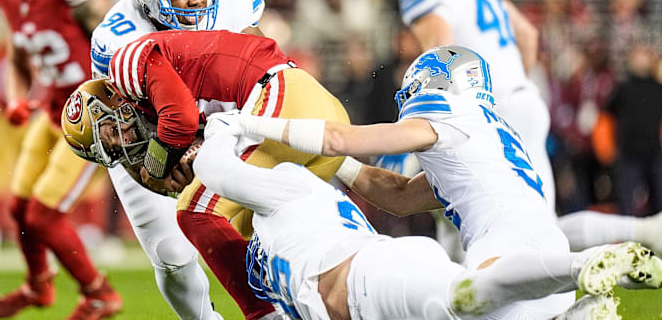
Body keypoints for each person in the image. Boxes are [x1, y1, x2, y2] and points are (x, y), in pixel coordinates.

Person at [215, 45, 583, 318]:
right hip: (546, 243)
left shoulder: (449, 113)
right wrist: (337, 165)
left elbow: (340, 138)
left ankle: (586, 265)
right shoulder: (485, 133)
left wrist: (252, 125)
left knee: (460, 308)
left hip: (504, 245)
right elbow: (402, 196)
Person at [376, 0, 661, 257]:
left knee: (480, 221)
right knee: (539, 224)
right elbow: (528, 34)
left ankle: (468, 295)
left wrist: (412, 131)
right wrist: (514, 84)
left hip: (486, 116)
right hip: (524, 102)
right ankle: (644, 230)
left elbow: (442, 59)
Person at [194, 122, 662, 320]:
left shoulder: (285, 183)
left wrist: (228, 127)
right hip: (368, 294)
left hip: (371, 281)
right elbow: (394, 195)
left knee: (464, 300)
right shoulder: (291, 219)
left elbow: (212, 170)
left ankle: (584, 265)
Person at [63, 30, 350, 319]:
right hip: (310, 113)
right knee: (260, 233)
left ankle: (266, 315)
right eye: (114, 149)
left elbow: (181, 120)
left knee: (195, 211)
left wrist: (156, 167)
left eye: (113, 131)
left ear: (115, 100)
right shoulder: (162, 101)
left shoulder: (127, 64)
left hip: (285, 96)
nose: (125, 143)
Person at [87, 0, 266, 319]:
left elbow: (264, 68)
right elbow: (124, 128)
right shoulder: (119, 35)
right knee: (171, 252)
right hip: (154, 138)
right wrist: (155, 170)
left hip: (228, 121)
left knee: (269, 228)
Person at [0, 0, 118, 319]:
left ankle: (99, 294)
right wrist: (16, 99)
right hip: (52, 109)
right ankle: (38, 284)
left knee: (44, 214)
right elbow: (18, 55)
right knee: (18, 206)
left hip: (90, 114)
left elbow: (120, 40)